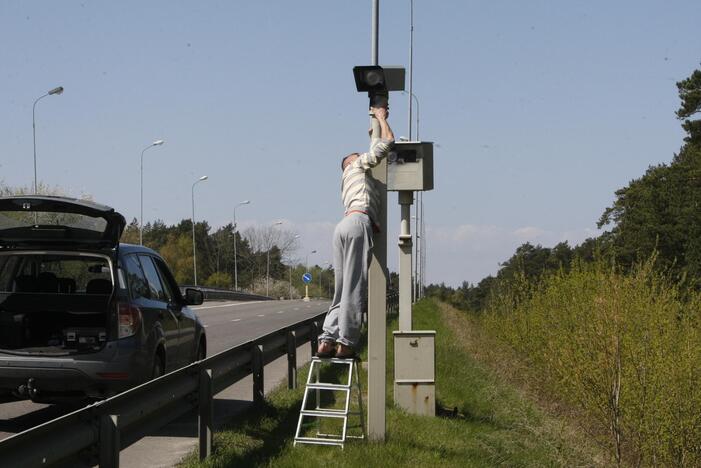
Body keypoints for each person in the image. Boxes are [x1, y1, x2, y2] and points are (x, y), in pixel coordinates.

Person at [317, 106, 395, 359]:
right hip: (357, 222)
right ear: (350, 162)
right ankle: (347, 343)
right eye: (358, 155)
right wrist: (382, 118)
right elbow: (387, 145)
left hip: (343, 226)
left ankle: (327, 340)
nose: (362, 154)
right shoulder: (357, 167)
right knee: (354, 287)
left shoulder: (347, 180)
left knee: (341, 287)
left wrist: (374, 130)